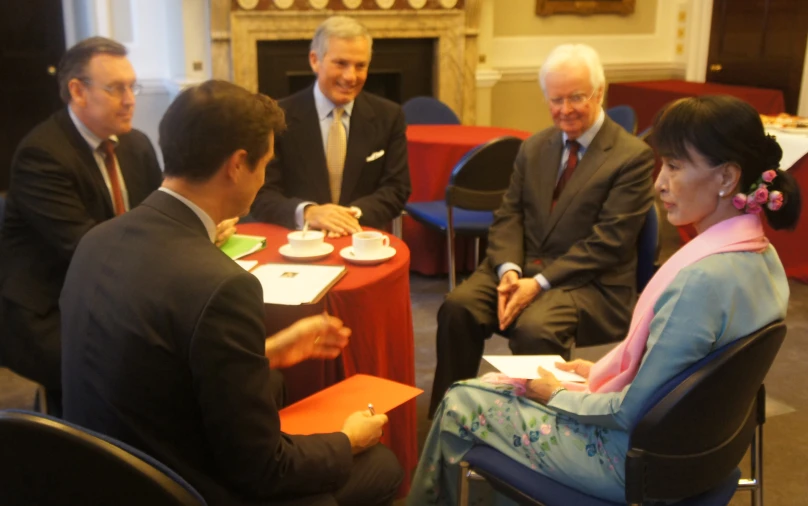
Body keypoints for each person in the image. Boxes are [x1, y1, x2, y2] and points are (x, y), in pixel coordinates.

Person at [407, 94, 801, 504]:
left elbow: (629, 412)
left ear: (726, 177)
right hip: (702, 452)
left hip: (634, 462)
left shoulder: (700, 280)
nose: (659, 182)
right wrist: (595, 374)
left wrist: (556, 395)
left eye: (674, 166)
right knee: (500, 388)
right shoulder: (763, 257)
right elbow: (682, 377)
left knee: (461, 401)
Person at [61, 80, 403, 506]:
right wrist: (346, 440)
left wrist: (267, 351)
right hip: (180, 488)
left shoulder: (97, 240)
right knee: (382, 465)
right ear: (238, 164)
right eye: (265, 165)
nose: (263, 179)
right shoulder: (223, 284)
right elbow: (263, 468)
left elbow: (153, 363)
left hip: (92, 474)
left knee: (273, 381)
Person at [429, 44, 655, 415]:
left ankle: (539, 431)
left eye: (576, 97)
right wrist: (509, 271)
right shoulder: (534, 147)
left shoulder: (631, 156)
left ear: (600, 93)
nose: (564, 109)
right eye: (556, 99)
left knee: (535, 328)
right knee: (458, 307)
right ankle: (449, 412)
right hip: (524, 268)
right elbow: (509, 215)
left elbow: (609, 243)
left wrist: (539, 283)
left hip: (591, 283)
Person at [0, 36, 164, 414]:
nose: (130, 100)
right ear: (77, 91)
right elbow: (86, 248)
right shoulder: (43, 155)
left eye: (132, 86)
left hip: (113, 290)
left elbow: (160, 216)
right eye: (116, 88)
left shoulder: (135, 144)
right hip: (51, 307)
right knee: (132, 362)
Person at [250, 15, 411, 236]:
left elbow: (396, 188)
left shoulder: (389, 115)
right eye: (341, 63)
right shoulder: (278, 117)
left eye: (360, 66)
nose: (350, 76)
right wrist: (309, 212)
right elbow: (261, 193)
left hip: (360, 239)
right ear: (315, 60)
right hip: (296, 241)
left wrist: (347, 217)